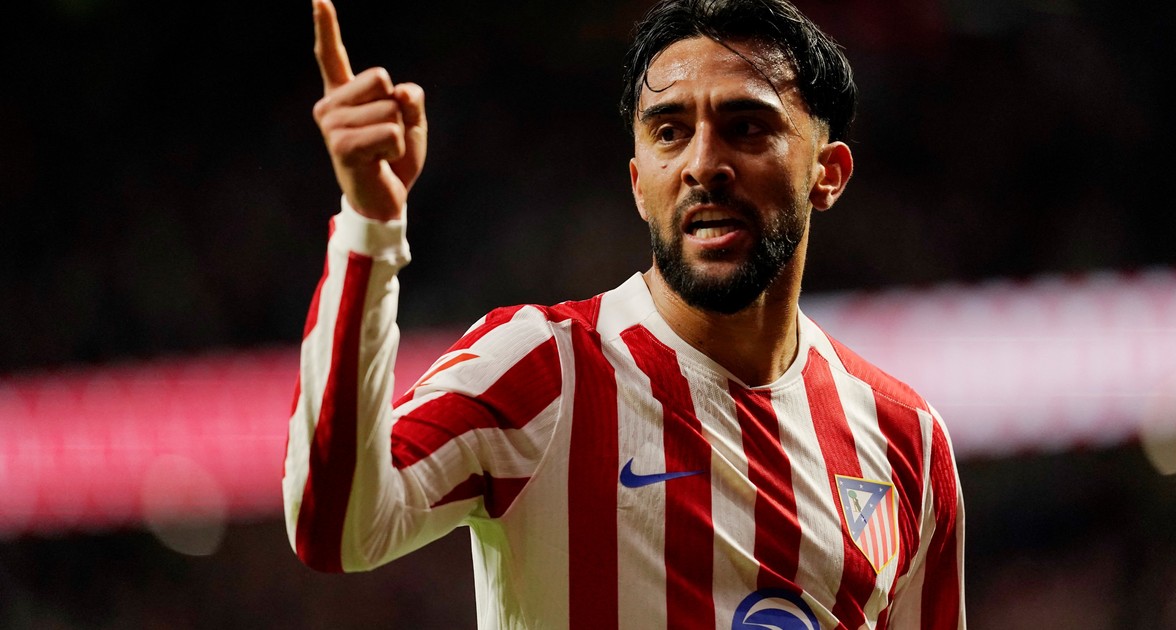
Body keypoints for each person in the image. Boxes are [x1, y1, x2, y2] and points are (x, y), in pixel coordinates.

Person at [283, 0, 966, 627]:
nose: (703, 163)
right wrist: (369, 226)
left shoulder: (905, 440)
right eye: (670, 132)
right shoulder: (542, 370)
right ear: (640, 185)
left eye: (746, 127)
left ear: (828, 172)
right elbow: (337, 529)